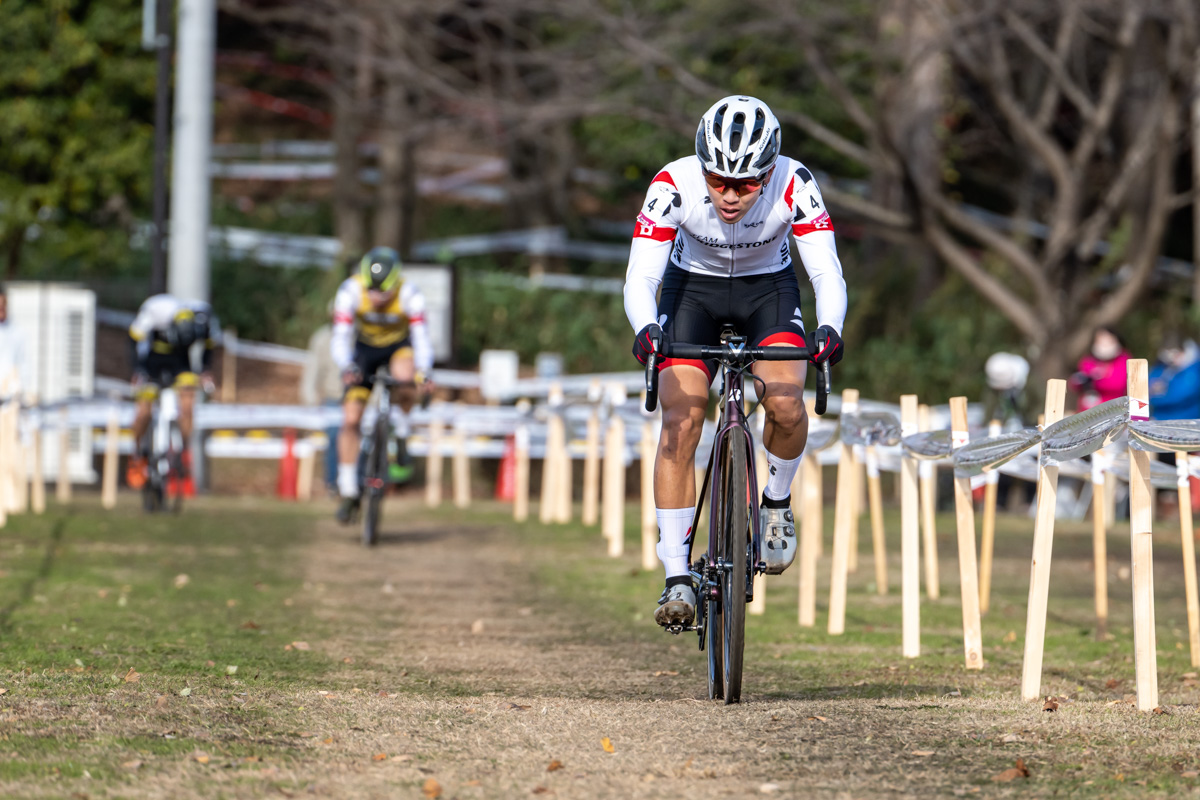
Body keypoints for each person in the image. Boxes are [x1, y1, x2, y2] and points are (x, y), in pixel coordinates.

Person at [623, 95, 847, 628]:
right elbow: (641, 276)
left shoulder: (795, 182)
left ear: (767, 174)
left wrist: (830, 328)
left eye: (746, 185)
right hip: (690, 292)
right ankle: (676, 575)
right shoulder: (672, 184)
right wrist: (645, 328)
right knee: (681, 420)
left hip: (766, 291)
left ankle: (774, 502)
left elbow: (826, 272)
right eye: (717, 180)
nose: (728, 194)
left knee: (789, 405)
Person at [331, 246, 434, 523]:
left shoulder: (410, 294)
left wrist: (424, 373)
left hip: (398, 347)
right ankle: (348, 488)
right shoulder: (350, 291)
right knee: (351, 418)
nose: (376, 298)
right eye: (371, 291)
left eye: (383, 292)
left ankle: (401, 430)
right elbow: (340, 336)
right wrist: (347, 366)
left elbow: (421, 337)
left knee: (406, 374)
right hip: (364, 352)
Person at [125, 294, 219, 487]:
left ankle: (183, 452)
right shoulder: (157, 310)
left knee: (187, 404)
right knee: (143, 410)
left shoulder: (205, 318)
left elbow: (210, 347)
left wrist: (205, 370)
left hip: (181, 361)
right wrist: (137, 370)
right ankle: (136, 453)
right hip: (153, 360)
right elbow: (133, 339)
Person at [301, 309, 344, 496]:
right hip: (333, 398)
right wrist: (310, 398)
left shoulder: (361, 335)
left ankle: (360, 482)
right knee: (334, 438)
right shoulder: (322, 338)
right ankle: (332, 484)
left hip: (358, 397)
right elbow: (313, 369)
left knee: (361, 439)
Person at [1068, 326, 1129, 413]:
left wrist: (1095, 380)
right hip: (1087, 412)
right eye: (1100, 341)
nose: (1104, 344)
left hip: (1113, 411)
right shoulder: (1088, 360)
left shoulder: (1123, 360)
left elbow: (1118, 384)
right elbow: (1074, 384)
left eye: (1108, 341)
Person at [0, 285, 29, 398]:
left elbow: (24, 364)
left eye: (3, 306)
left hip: (9, 394)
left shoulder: (17, 332)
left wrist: (20, 388)